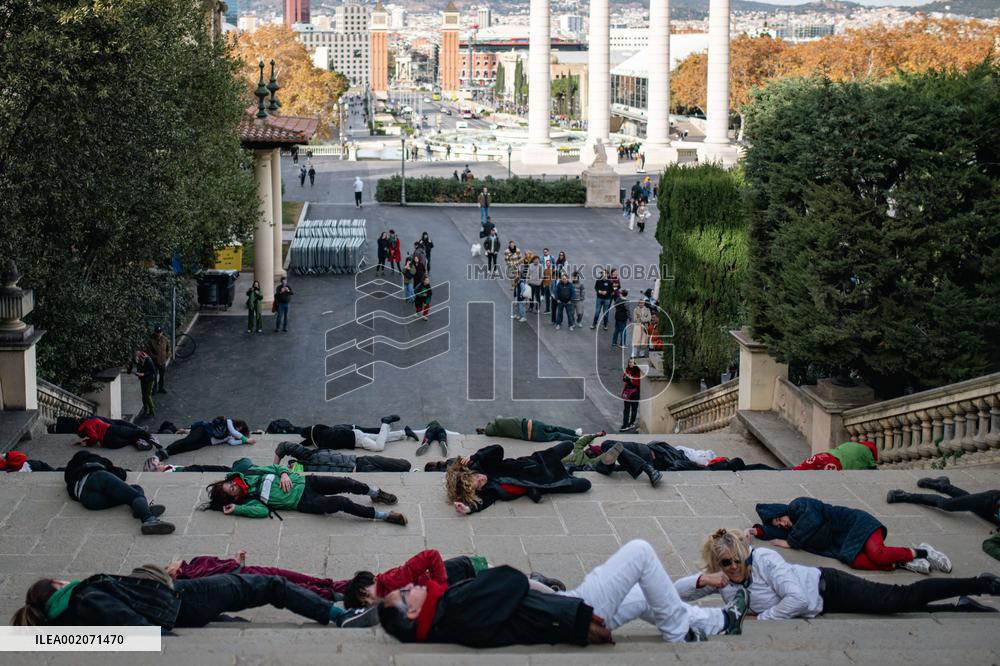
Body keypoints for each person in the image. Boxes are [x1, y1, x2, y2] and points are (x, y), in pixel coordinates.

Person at [378, 540, 749, 647]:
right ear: (412, 613)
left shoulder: (445, 613)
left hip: (559, 609)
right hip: (571, 610)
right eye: (407, 593)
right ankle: (678, 630)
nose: (413, 586)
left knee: (639, 595)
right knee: (639, 552)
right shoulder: (452, 607)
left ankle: (720, 619)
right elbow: (510, 580)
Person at [678, 528, 1000, 621]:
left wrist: (760, 619)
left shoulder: (764, 560)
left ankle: (981, 583)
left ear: (744, 555)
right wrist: (703, 581)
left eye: (736, 560)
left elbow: (798, 599)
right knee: (892, 607)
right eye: (725, 564)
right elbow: (673, 593)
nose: (733, 568)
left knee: (896, 599)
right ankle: (962, 605)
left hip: (828, 586)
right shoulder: (721, 580)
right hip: (823, 604)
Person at [12, 565, 378, 629]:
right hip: (181, 600)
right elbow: (135, 624)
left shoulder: (71, 608)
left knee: (250, 595)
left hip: (176, 602)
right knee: (270, 586)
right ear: (58, 587)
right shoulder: (81, 597)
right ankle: (338, 614)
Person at [751, 497, 951, 574]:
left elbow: (813, 519)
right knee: (856, 562)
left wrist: (791, 542)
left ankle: (924, 552)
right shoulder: (792, 528)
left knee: (878, 554)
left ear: (782, 511)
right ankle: (903, 562)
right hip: (842, 543)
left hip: (856, 524)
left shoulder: (798, 506)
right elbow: (771, 533)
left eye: (779, 519)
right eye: (778, 524)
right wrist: (755, 531)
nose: (782, 523)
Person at [203, 459, 407, 525]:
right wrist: (237, 509)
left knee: (347, 482)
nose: (234, 486)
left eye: (230, 485)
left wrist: (284, 474)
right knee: (342, 503)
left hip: (308, 481)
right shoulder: (249, 501)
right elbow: (263, 512)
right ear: (232, 496)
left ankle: (375, 493)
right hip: (305, 502)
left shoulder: (253, 474)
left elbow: (275, 468)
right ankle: (383, 516)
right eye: (231, 490)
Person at [446, 441, 591, 515]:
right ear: (477, 490)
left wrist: (476, 456)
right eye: (479, 483)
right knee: (585, 485)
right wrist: (468, 509)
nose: (481, 478)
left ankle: (569, 467)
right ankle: (569, 469)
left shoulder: (485, 466)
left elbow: (497, 449)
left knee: (568, 445)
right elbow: (482, 503)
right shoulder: (489, 491)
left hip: (536, 462)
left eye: (476, 476)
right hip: (543, 483)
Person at [887, 477, 1000, 561]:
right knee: (948, 505)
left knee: (967, 501)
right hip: (992, 501)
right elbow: (988, 544)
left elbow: (989, 545)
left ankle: (943, 485)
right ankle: (905, 495)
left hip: (994, 514)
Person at [63, 450, 175, 535]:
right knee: (135, 492)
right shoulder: (97, 460)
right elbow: (121, 475)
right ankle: (148, 518)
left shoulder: (69, 470)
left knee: (128, 497)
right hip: (97, 477)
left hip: (87, 499)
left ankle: (139, 508)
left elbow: (70, 491)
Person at [344, 549, 490, 608]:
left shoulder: (393, 580)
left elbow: (431, 555)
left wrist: (441, 588)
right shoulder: (384, 595)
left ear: (374, 580)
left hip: (463, 572)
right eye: (365, 603)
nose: (370, 601)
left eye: (368, 595)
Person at [273, 440, 411, 473]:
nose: (290, 466)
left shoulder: (307, 455)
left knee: (405, 465)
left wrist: (275, 467)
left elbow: (284, 446)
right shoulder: (305, 475)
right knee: (394, 474)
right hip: (359, 473)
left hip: (361, 461)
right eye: (289, 468)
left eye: (290, 465)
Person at [154, 416, 255, 461]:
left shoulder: (229, 436)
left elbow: (232, 443)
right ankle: (166, 449)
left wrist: (242, 441)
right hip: (203, 431)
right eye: (240, 428)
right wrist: (246, 440)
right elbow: (234, 432)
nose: (238, 430)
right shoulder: (229, 422)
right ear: (239, 426)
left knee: (188, 448)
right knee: (188, 441)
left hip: (206, 441)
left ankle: (167, 454)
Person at [297, 416, 406, 452]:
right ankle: (404, 432)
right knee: (380, 438)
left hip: (356, 440)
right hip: (355, 433)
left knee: (379, 447)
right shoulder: (321, 429)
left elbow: (320, 449)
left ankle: (385, 423)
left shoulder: (322, 442)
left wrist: (302, 445)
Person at [75, 416, 159, 451]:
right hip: (111, 429)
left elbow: (94, 437)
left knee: (127, 441)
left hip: (108, 442)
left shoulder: (84, 428)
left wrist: (87, 442)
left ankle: (137, 442)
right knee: (133, 432)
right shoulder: (93, 420)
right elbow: (95, 436)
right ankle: (150, 437)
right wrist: (88, 441)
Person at [476, 416, 583, 442]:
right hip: (531, 424)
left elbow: (489, 431)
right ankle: (574, 432)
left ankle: (576, 439)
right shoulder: (500, 421)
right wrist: (489, 424)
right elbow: (498, 418)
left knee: (556, 435)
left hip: (530, 436)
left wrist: (484, 430)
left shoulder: (500, 432)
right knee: (555, 428)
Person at [793, 439, 878, 470]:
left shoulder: (850, 444)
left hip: (824, 455)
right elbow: (873, 468)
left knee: (799, 469)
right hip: (835, 463)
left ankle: (780, 471)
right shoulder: (867, 452)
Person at [134, 349, 157, 418]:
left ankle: (152, 410)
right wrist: (138, 373)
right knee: (144, 396)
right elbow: (138, 367)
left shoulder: (148, 360)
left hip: (150, 380)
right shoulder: (139, 361)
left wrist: (143, 374)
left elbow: (153, 372)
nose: (137, 362)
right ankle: (145, 410)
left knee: (147, 395)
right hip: (143, 379)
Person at [620, 358, 641, 432]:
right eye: (629, 362)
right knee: (626, 409)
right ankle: (625, 424)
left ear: (635, 363)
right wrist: (629, 379)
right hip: (627, 391)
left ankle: (632, 422)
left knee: (634, 409)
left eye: (632, 362)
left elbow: (636, 382)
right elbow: (624, 378)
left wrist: (629, 379)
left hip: (635, 392)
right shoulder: (627, 369)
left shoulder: (638, 371)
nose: (630, 364)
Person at [148, 325, 169, 393]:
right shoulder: (151, 340)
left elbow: (168, 348)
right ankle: (154, 389)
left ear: (162, 332)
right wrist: (154, 357)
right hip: (154, 362)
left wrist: (167, 355)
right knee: (154, 376)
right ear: (155, 332)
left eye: (160, 332)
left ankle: (161, 388)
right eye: (157, 332)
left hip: (162, 361)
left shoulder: (165, 339)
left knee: (162, 376)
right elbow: (149, 351)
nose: (159, 334)